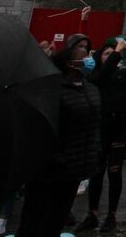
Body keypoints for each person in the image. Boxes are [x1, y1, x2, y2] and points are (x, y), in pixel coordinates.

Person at [17, 35, 101, 237]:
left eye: (88, 48)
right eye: (81, 48)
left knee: (56, 220)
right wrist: (56, 157)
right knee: (34, 220)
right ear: (68, 57)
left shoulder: (91, 89)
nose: (87, 53)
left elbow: (94, 126)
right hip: (50, 169)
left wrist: (92, 154)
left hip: (76, 167)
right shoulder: (54, 87)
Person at [77, 36, 126, 232]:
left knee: (115, 170)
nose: (110, 56)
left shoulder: (121, 74)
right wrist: (115, 52)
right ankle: (92, 213)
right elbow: (103, 76)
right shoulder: (95, 76)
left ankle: (111, 214)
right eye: (105, 54)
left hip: (120, 125)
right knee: (97, 171)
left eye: (111, 53)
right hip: (102, 125)